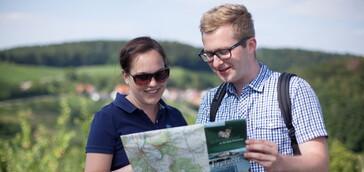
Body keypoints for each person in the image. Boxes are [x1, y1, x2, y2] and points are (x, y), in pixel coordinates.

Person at [196, 4, 329, 171]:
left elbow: (321, 164)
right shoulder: (211, 100)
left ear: (250, 45)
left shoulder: (293, 89)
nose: (216, 63)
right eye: (209, 54)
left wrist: (280, 162)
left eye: (223, 51)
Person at [84, 36, 188, 172]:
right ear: (126, 76)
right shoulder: (107, 119)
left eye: (160, 74)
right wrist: (145, 166)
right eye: (142, 77)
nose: (153, 83)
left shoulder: (175, 116)